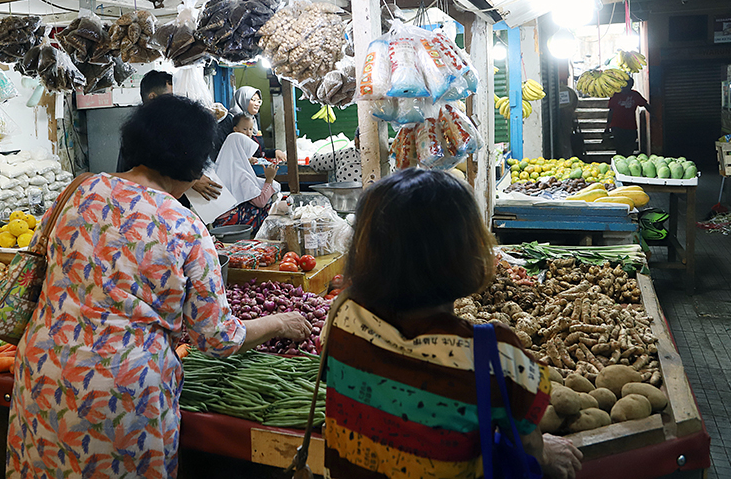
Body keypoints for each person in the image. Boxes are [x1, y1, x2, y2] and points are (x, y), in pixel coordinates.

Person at [7, 95, 312, 479]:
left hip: (42, 373)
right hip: (123, 391)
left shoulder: (76, 192)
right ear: (192, 162)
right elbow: (217, 337)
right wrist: (279, 323)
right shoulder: (183, 225)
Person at [323, 168, 584, 479]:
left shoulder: (343, 316)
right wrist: (546, 455)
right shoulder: (495, 355)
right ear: (466, 255)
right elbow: (528, 444)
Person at [117, 69, 222, 201]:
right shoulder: (146, 134)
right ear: (153, 97)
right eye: (171, 97)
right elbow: (152, 174)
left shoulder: (169, 128)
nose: (177, 103)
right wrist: (191, 181)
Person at [212, 132, 281, 232]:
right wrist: (269, 179)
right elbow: (260, 202)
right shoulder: (240, 173)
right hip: (231, 221)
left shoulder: (221, 169)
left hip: (218, 220)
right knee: (270, 209)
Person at [213, 86, 286, 162]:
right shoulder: (229, 120)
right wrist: (242, 159)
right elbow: (219, 151)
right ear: (243, 99)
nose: (257, 104)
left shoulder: (253, 121)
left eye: (259, 101)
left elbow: (259, 151)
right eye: (253, 100)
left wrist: (274, 152)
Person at [606, 78, 651, 156]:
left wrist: (654, 115)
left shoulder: (635, 95)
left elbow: (645, 105)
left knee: (630, 149)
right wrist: (607, 126)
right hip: (617, 126)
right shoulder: (615, 95)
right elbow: (611, 111)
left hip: (630, 127)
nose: (625, 87)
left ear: (631, 86)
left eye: (627, 85)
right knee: (619, 149)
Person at [556, 67, 580, 158]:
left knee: (564, 139)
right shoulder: (569, 92)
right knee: (564, 139)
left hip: (566, 117)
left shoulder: (567, 91)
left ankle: (566, 156)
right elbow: (575, 102)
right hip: (567, 116)